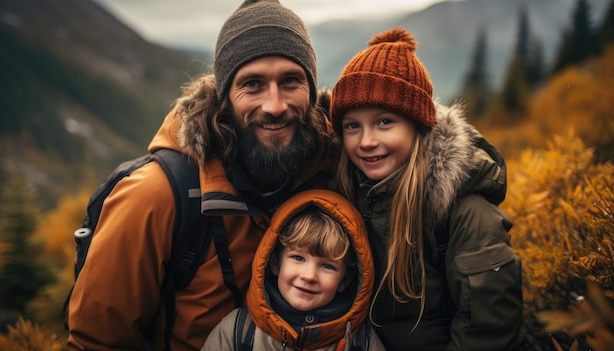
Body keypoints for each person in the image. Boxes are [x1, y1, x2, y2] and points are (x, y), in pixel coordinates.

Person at [66, 0, 337, 349]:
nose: (274, 105)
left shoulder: (332, 167)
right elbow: (96, 342)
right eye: (252, 84)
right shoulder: (156, 196)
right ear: (224, 98)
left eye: (291, 81)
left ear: (313, 92)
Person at [329, 27, 525, 350]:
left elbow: (487, 330)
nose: (366, 142)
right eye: (352, 126)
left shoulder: (464, 212)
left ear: (418, 125)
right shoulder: (350, 190)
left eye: (384, 122)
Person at [201, 189, 385, 350]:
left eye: (327, 266)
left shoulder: (360, 341)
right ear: (275, 264)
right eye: (298, 258)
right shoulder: (238, 331)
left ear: (344, 281)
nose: (309, 276)